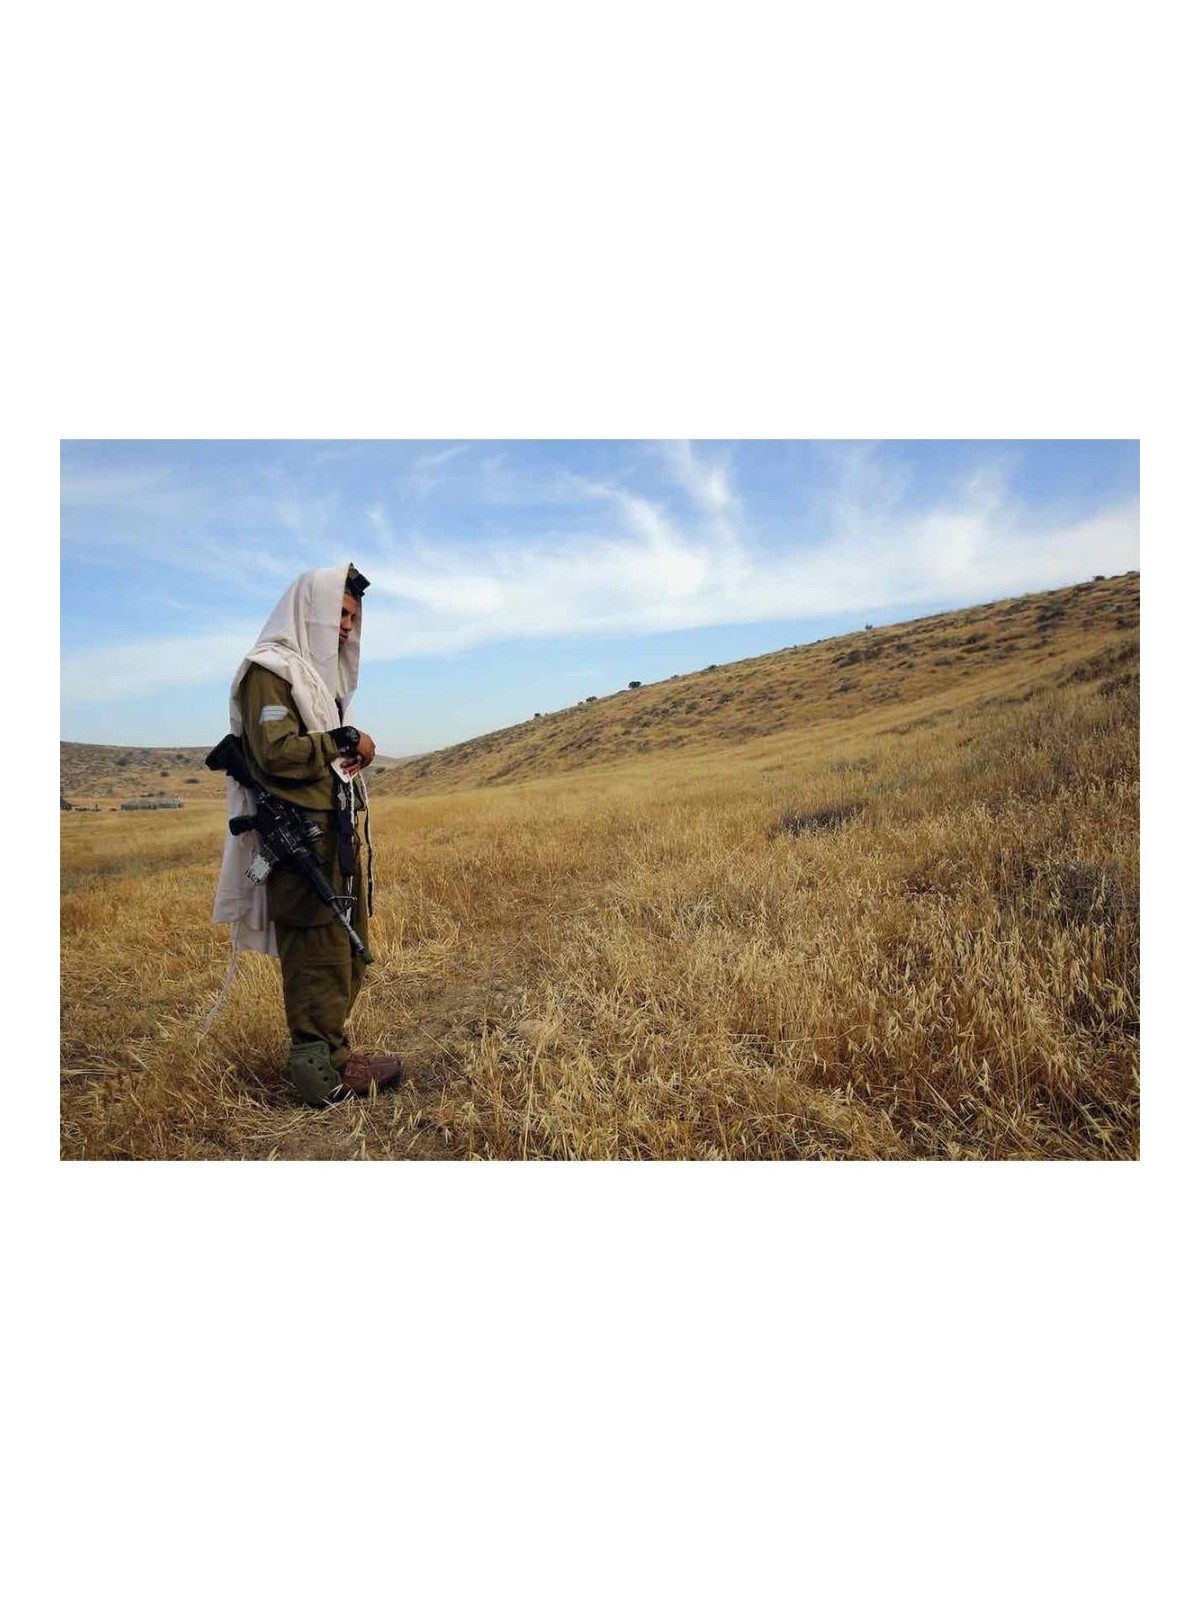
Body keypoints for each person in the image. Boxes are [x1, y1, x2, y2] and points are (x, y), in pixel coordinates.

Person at [212, 563, 402, 1106]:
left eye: (353, 618)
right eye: (339, 614)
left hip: (330, 833)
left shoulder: (314, 677)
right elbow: (275, 753)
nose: (346, 627)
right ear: (311, 612)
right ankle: (318, 1072)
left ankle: (339, 1055)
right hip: (298, 842)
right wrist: (341, 739)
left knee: (346, 948)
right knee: (316, 951)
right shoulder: (269, 671)